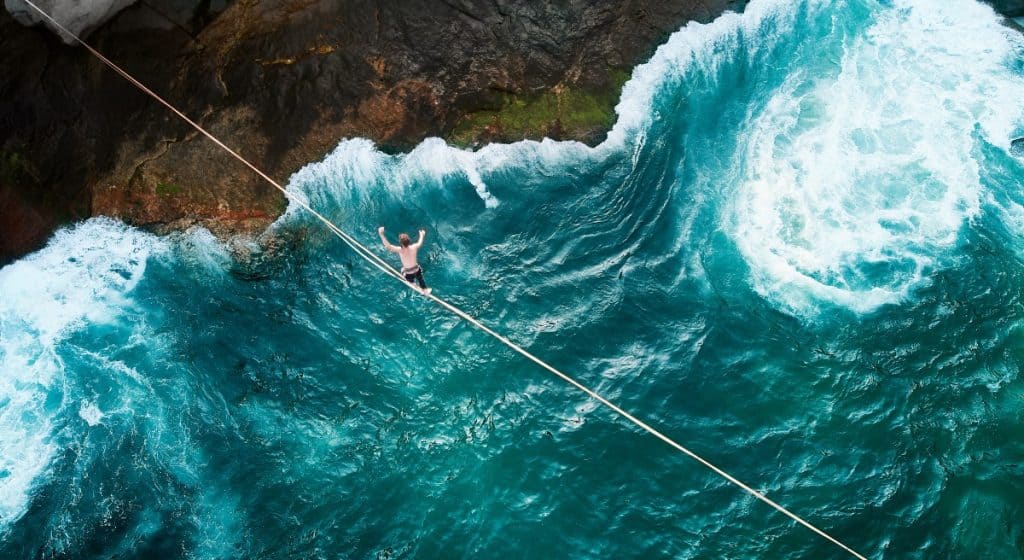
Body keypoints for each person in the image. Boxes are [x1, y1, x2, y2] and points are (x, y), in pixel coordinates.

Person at [378, 226, 431, 294]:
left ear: (401, 243)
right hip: (417, 270)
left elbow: (388, 246)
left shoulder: (400, 250)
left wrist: (381, 234)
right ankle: (424, 288)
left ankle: (412, 283)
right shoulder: (414, 247)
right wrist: (422, 235)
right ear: (409, 241)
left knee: (402, 270)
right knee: (420, 277)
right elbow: (420, 242)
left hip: (409, 274)